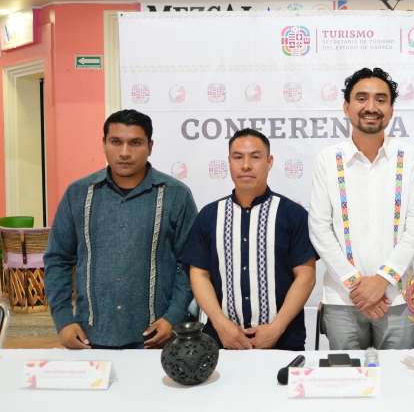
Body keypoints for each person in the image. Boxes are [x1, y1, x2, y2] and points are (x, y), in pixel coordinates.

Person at [44, 109, 197, 349]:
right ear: (104, 143)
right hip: (89, 337)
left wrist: (173, 317)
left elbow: (189, 263)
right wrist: (63, 320)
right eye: (116, 142)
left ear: (150, 146)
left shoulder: (176, 195)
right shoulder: (78, 194)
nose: (125, 153)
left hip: (158, 339)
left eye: (135, 143)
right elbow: (58, 259)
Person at [309, 67, 414, 350]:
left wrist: (382, 280)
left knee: (400, 384)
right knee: (346, 383)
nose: (371, 107)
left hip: (398, 299)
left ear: (391, 109)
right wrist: (357, 286)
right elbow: (319, 229)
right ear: (346, 107)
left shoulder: (409, 157)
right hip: (343, 299)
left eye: (380, 99)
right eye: (361, 98)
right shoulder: (328, 159)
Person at [182, 128, 316, 350]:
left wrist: (276, 328)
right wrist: (222, 325)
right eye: (238, 157)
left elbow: (306, 276)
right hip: (222, 341)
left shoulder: (293, 214)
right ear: (229, 161)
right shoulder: (209, 215)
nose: (246, 165)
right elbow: (199, 274)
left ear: (269, 161)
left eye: (255, 157)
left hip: (283, 340)